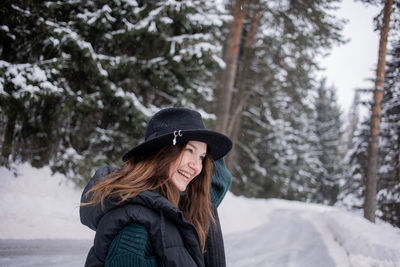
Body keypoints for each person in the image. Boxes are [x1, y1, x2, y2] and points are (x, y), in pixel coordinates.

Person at [80, 107, 233, 267]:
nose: (196, 166)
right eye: (189, 150)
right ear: (162, 152)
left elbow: (216, 184)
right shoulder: (134, 233)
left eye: (201, 157)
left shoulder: (178, 212)